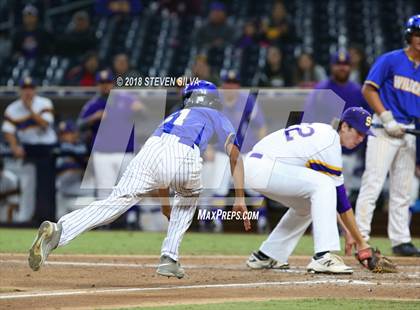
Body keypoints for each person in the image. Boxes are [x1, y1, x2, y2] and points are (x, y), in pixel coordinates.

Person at [28, 80, 250, 278]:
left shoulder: (173, 116)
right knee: (189, 196)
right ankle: (169, 258)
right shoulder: (218, 116)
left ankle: (60, 231)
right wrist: (240, 198)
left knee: (113, 204)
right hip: (184, 152)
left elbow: (163, 166)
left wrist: (165, 203)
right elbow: (235, 157)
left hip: (148, 152)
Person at [245, 107, 374, 274]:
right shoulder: (330, 143)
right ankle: (322, 256)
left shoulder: (325, 135)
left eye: (365, 135)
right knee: (324, 184)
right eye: (359, 132)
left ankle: (266, 255)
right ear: (344, 127)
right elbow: (342, 202)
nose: (361, 138)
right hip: (263, 167)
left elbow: (326, 202)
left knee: (307, 205)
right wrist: (361, 241)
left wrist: (349, 231)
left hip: (258, 166)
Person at [355, 15, 420, 256]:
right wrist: (386, 117)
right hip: (384, 130)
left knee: (403, 191)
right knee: (372, 185)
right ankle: (359, 237)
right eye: (417, 34)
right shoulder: (391, 59)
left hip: (409, 132)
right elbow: (368, 88)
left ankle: (401, 240)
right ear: (409, 36)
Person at [2, 77, 57, 224]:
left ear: (35, 89)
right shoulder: (12, 108)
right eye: (25, 88)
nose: (28, 91)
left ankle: (47, 219)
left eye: (30, 88)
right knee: (27, 185)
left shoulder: (44, 103)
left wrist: (30, 109)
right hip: (28, 149)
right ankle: (26, 220)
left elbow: (45, 123)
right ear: (21, 90)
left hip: (46, 150)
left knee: (47, 186)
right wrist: (14, 146)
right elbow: (8, 130)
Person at [0, 158, 19, 223]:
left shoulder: (11, 179)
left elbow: (14, 203)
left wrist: (9, 225)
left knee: (8, 209)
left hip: (5, 207)